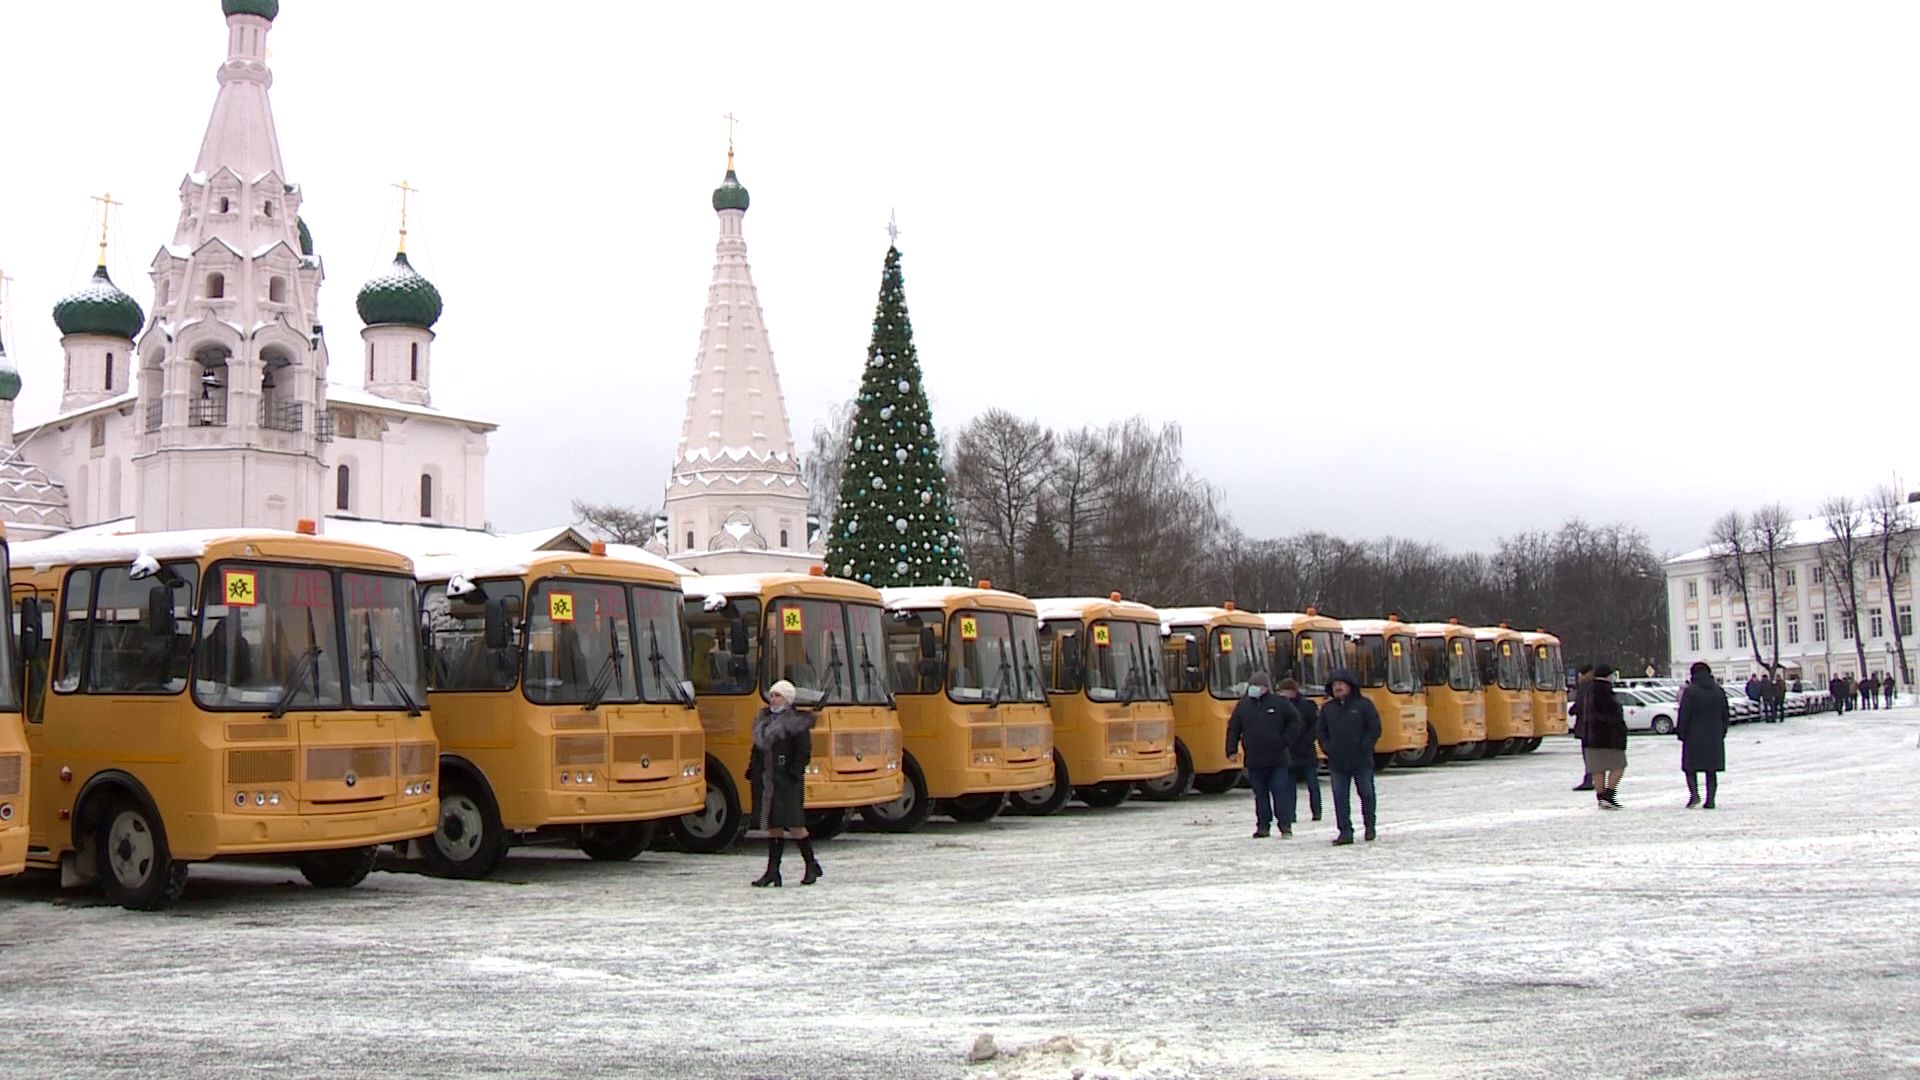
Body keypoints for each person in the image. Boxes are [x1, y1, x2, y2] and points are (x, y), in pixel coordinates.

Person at [747, 679, 822, 887]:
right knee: (774, 825)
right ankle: (773, 871)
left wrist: (793, 772)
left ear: (787, 699)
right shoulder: (763, 720)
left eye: (777, 695)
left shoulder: (796, 723)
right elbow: (757, 749)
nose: (772, 699)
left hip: (787, 781)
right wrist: (752, 769)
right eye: (771, 695)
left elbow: (803, 752)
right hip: (768, 780)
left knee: (796, 825)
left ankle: (811, 864)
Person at [1224, 670, 1301, 838]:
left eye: (1257, 686)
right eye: (1252, 686)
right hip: (1254, 760)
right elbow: (1233, 729)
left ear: (1266, 687)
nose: (1254, 689)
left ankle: (1285, 825)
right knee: (1260, 796)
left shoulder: (1280, 703)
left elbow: (1295, 721)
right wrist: (1231, 749)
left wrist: (1285, 740)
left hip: (1277, 760)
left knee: (1280, 793)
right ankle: (1263, 826)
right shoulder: (1243, 706)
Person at [1316, 669, 1381, 845]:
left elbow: (1374, 727)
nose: (1337, 688)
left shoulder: (1364, 705)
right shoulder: (1328, 709)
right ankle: (1345, 831)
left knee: (1366, 793)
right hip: (1337, 761)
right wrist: (1328, 748)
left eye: (1340, 684)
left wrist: (1365, 745)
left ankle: (1369, 826)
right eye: (1334, 685)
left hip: (1361, 760)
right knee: (1340, 797)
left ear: (1350, 686)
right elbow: (1321, 731)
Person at [1676, 661, 1729, 808]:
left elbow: (1684, 714)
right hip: (1714, 736)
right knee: (1711, 770)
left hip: (1694, 736)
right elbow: (1725, 714)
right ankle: (1710, 800)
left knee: (1690, 767)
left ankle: (1694, 795)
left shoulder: (1690, 692)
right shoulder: (1719, 691)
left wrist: (1681, 732)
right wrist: (1722, 731)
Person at [1581, 664, 1629, 809]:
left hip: (1591, 737)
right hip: (1608, 738)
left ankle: (1601, 798)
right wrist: (1620, 732)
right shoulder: (1606, 693)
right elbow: (1612, 717)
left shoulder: (1588, 691)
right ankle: (1609, 795)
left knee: (1598, 769)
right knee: (1619, 766)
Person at [1279, 678, 1322, 823]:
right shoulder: (1281, 708)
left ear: (1292, 691)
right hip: (1290, 753)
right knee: (1289, 787)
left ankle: (1317, 812)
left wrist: (1307, 741)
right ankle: (1291, 815)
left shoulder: (1307, 706)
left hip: (1306, 752)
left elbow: (1315, 727)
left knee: (1312, 785)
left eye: (1284, 691)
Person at [1569, 665, 1595, 791]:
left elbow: (1579, 705)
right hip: (1596, 725)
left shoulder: (1585, 688)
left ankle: (1589, 779)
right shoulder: (1596, 686)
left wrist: (1572, 710)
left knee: (1588, 753)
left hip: (1586, 725)